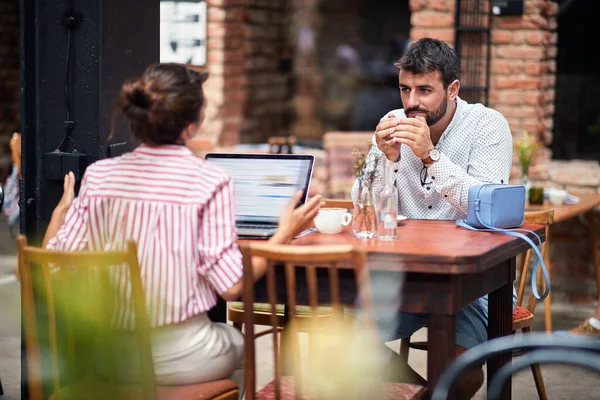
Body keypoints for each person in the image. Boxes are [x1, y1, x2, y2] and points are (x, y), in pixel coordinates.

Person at [42, 63, 323, 392]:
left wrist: (60, 213)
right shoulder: (209, 181)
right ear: (192, 124)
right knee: (237, 342)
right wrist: (282, 234)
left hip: (107, 354)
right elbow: (232, 287)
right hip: (182, 354)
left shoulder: (99, 176)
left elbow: (53, 263)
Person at [351, 38, 513, 399]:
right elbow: (363, 208)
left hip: (474, 281)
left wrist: (430, 156)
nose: (412, 103)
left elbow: (484, 207)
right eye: (405, 89)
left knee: (459, 374)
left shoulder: (487, 126)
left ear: (452, 89)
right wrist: (385, 159)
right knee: (341, 341)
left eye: (425, 90)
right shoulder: (392, 123)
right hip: (401, 275)